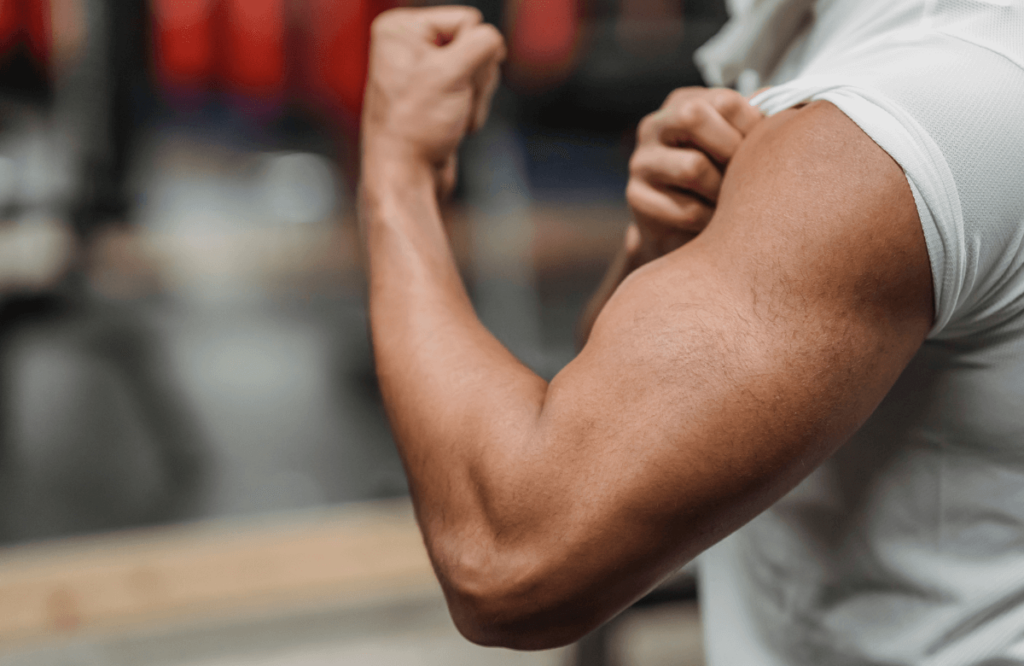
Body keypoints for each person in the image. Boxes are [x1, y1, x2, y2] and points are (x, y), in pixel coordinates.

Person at [358, 1, 1024, 663]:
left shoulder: (905, 111)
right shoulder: (845, 51)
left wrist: (397, 174)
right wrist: (662, 254)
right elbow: (607, 421)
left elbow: (509, 556)